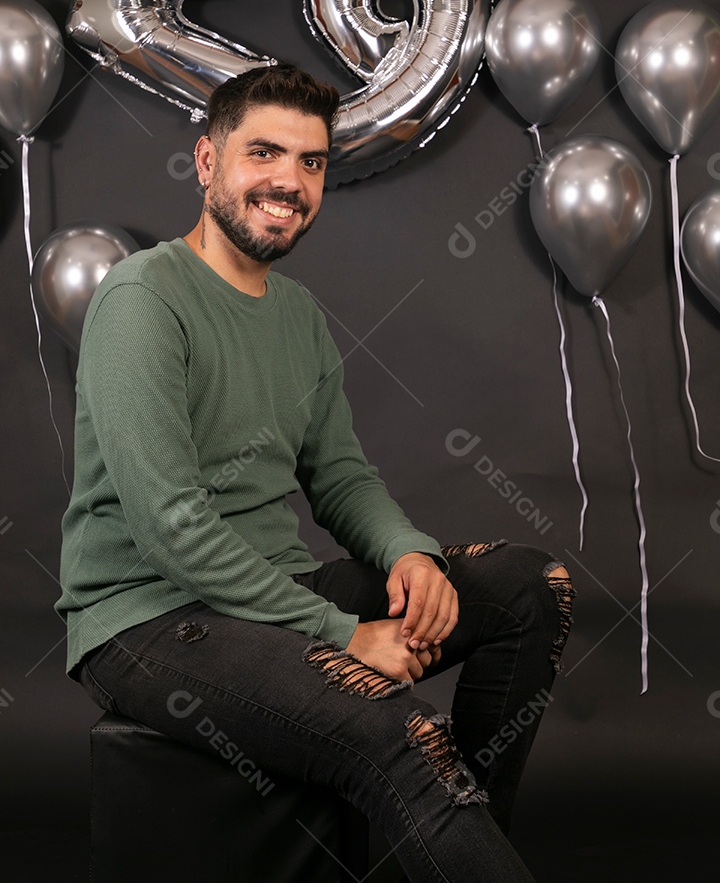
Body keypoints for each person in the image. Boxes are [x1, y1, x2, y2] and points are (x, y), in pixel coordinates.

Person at [56, 64, 574, 882]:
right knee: (397, 729)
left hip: (271, 592)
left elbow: (341, 479)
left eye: (312, 162)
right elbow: (170, 527)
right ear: (206, 161)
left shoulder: (298, 316)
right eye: (264, 153)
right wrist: (344, 635)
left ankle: (459, 849)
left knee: (531, 587)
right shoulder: (142, 298)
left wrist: (411, 555)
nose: (290, 183)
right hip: (149, 620)